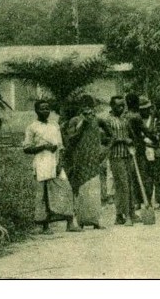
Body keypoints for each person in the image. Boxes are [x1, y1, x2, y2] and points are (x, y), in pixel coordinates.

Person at [23, 99, 79, 234]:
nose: (46, 111)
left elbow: (60, 147)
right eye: (42, 109)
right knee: (43, 195)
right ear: (36, 111)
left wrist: (60, 163)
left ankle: (70, 222)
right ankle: (43, 225)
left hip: (55, 162)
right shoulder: (32, 127)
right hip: (41, 163)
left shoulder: (55, 126)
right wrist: (42, 146)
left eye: (47, 108)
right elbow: (26, 148)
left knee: (65, 190)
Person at [62, 94, 105, 229]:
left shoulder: (97, 120)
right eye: (84, 106)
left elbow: (110, 135)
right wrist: (82, 126)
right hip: (79, 159)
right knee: (81, 188)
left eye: (90, 106)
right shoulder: (75, 121)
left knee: (94, 188)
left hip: (93, 159)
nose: (88, 109)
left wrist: (105, 150)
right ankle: (80, 221)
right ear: (80, 108)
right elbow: (71, 140)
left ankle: (95, 220)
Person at [100, 95, 137, 225]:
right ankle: (126, 216)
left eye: (123, 105)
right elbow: (104, 139)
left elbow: (131, 135)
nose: (121, 108)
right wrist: (122, 140)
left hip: (127, 155)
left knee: (129, 185)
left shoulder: (124, 120)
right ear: (112, 106)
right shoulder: (107, 121)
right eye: (118, 105)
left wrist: (131, 141)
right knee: (123, 185)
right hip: (116, 156)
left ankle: (124, 214)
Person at [138, 97, 158, 207]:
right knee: (140, 175)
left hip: (152, 149)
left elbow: (156, 134)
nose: (145, 111)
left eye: (147, 108)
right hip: (141, 150)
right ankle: (139, 200)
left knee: (149, 176)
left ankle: (149, 200)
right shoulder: (137, 120)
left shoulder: (154, 120)